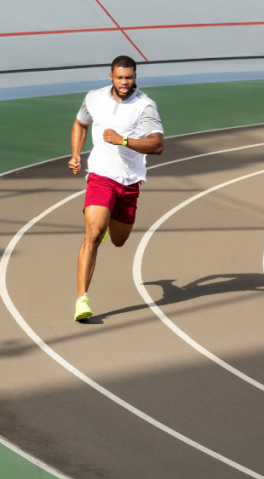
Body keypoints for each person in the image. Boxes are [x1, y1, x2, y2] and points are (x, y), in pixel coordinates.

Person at [68, 55, 164, 321]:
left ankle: (109, 223)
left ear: (135, 77)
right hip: (101, 175)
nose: (124, 82)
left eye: (129, 77)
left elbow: (157, 145)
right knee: (93, 234)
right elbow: (80, 123)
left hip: (129, 181)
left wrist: (123, 140)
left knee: (119, 240)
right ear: (111, 76)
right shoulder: (94, 98)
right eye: (120, 77)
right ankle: (81, 300)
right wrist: (76, 153)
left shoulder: (145, 106)